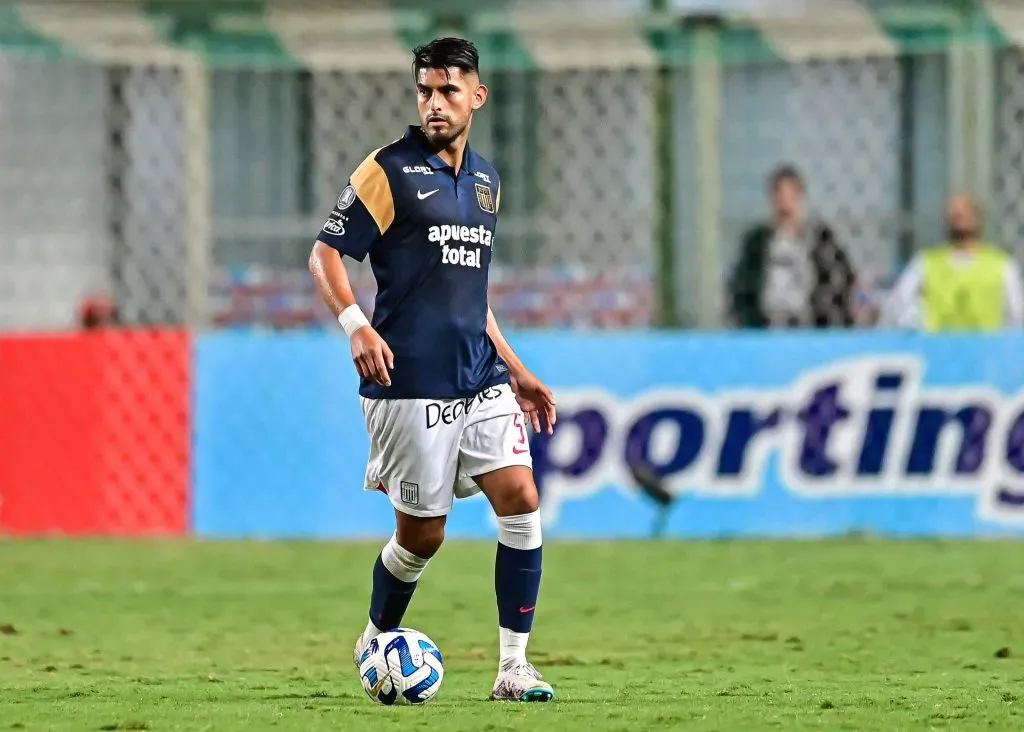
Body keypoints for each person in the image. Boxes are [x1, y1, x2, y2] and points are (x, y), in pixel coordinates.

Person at [307, 37, 557, 702]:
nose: (434, 102)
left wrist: (517, 367)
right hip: (406, 382)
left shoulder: (486, 181)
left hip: (479, 376)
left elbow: (470, 292)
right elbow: (326, 256)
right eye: (425, 90)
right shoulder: (387, 171)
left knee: (522, 500)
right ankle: (375, 635)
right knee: (423, 536)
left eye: (448, 90)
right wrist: (355, 325)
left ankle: (513, 669)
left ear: (477, 95)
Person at [728, 165, 857, 328]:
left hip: (809, 328)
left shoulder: (822, 242)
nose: (784, 204)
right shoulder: (756, 243)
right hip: (766, 327)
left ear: (800, 198)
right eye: (779, 195)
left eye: (791, 196)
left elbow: (840, 284)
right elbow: (740, 289)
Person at [882, 193, 1023, 330]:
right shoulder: (925, 263)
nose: (959, 216)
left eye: (964, 212)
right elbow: (898, 306)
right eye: (954, 213)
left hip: (986, 350)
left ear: (978, 218)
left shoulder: (1002, 265)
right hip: (937, 349)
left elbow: (1016, 315)